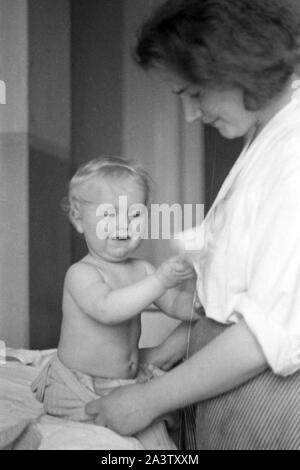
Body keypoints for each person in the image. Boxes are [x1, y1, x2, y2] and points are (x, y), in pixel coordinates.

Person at [85, 0, 300, 450]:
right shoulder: (266, 136)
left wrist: (146, 401)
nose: (190, 115)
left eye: (194, 94)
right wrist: (170, 350)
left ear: (241, 65)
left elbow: (266, 335)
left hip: (266, 400)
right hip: (225, 389)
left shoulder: (293, 152)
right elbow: (232, 296)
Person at [31, 156, 197, 450]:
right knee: (132, 440)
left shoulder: (142, 269)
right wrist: (160, 280)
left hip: (126, 376)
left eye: (135, 215)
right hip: (81, 383)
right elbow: (107, 309)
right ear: (79, 220)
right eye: (109, 214)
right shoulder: (81, 274)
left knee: (164, 431)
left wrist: (202, 302)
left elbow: (174, 304)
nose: (123, 224)